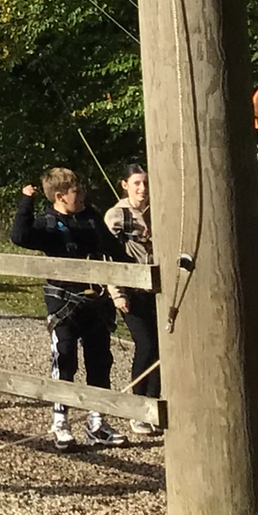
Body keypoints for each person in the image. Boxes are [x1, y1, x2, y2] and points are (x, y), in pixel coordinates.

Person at [12, 169, 128, 451]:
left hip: (95, 303)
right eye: (77, 192)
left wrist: (135, 273)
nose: (83, 196)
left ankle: (97, 422)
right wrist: (26, 202)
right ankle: (60, 423)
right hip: (64, 304)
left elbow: (114, 249)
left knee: (100, 362)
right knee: (64, 360)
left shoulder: (91, 218)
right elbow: (20, 236)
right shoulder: (48, 224)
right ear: (60, 196)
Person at [103, 162, 162, 435]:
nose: (143, 188)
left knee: (162, 349)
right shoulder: (116, 216)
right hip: (132, 291)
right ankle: (137, 407)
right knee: (146, 344)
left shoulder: (159, 210)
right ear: (125, 185)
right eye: (137, 183)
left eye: (146, 183)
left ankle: (154, 405)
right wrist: (117, 294)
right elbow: (108, 258)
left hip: (158, 291)